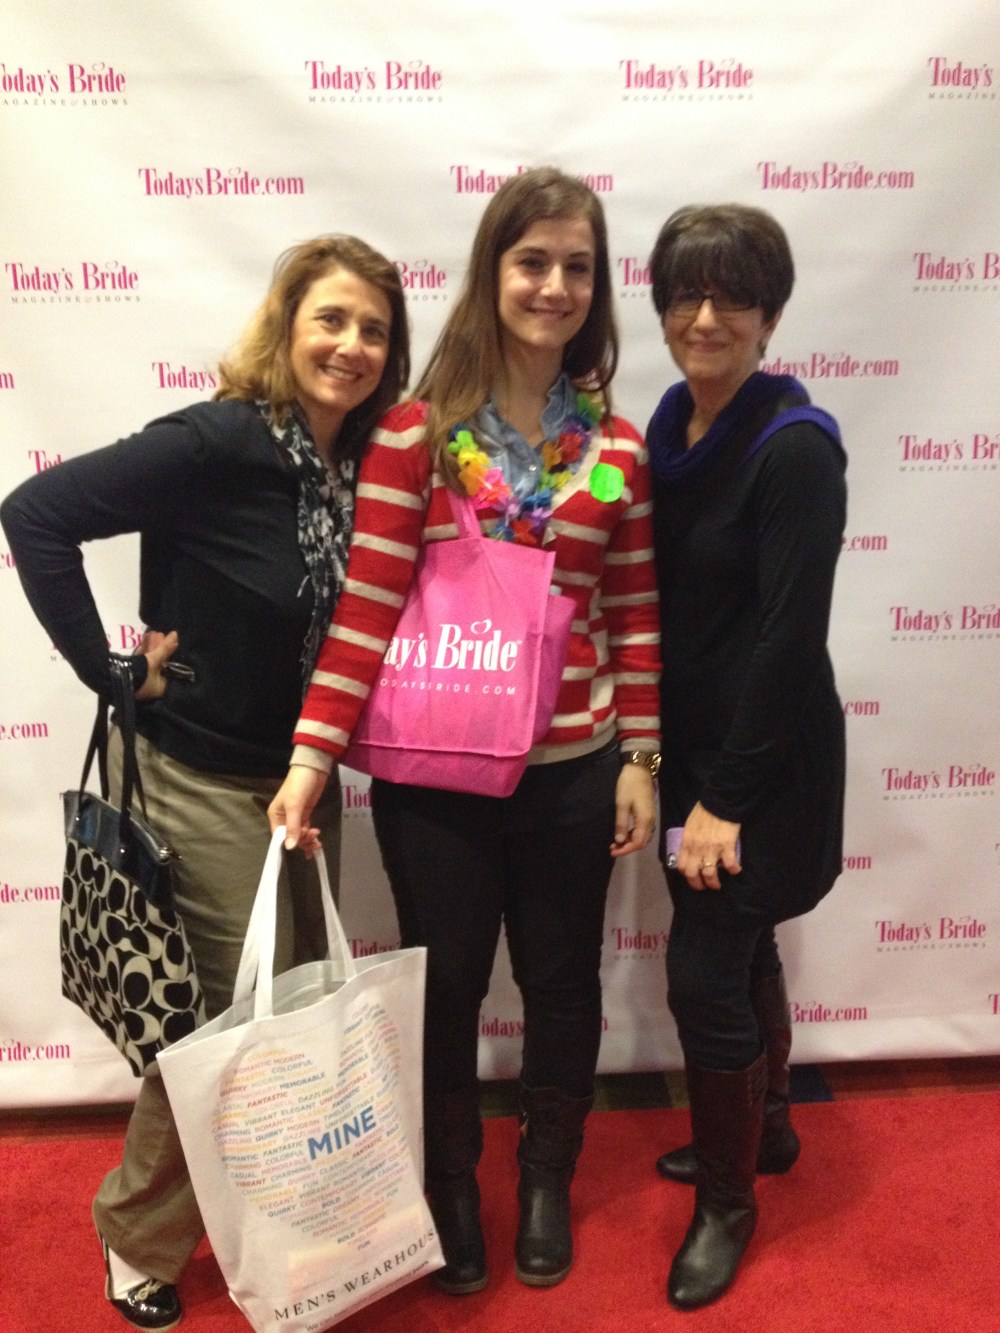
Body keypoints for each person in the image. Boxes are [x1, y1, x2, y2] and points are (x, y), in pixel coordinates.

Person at [0, 235, 409, 1332]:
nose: (352, 345)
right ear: (285, 326)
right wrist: (109, 670)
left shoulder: (354, 463)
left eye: (374, 328)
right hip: (202, 778)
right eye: (331, 319)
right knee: (223, 1027)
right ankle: (135, 1232)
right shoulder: (220, 439)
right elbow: (34, 516)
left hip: (303, 781)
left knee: (283, 1012)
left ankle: (261, 1205)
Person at [269, 167, 661, 1294]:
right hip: (437, 775)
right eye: (532, 260)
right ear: (493, 273)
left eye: (576, 266)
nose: (554, 285)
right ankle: (451, 1187)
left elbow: (632, 612)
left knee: (562, 982)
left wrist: (640, 754)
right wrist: (309, 759)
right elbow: (369, 602)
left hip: (574, 770)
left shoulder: (618, 448)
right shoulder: (412, 433)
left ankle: (545, 1177)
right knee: (442, 991)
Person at [644, 203, 847, 1311]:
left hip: (761, 764)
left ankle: (727, 1203)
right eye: (687, 293)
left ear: (770, 315)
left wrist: (722, 798)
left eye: (733, 297)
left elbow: (785, 638)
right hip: (691, 755)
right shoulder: (668, 430)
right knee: (737, 940)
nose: (706, 316)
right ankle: (765, 1132)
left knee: (704, 969)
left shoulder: (794, 448)